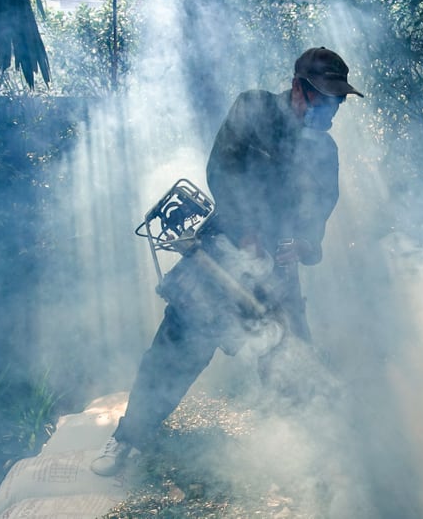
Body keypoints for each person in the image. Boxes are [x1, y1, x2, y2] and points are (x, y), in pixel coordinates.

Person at [91, 47, 362, 476]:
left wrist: (308, 245)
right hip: (222, 251)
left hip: (277, 268)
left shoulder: (324, 151)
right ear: (298, 88)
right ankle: (128, 439)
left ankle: (317, 466)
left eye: (338, 102)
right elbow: (222, 168)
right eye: (325, 99)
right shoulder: (253, 107)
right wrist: (246, 229)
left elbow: (321, 207)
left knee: (293, 361)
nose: (331, 111)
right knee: (176, 349)